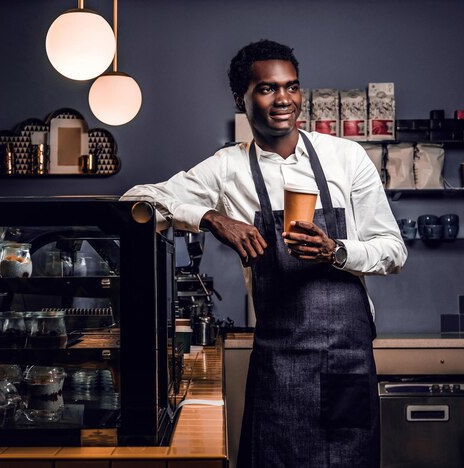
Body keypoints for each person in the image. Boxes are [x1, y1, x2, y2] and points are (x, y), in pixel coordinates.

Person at [123, 39, 407, 467]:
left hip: (345, 361)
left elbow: (393, 251)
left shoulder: (345, 157)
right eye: (267, 89)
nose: (284, 100)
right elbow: (135, 201)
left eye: (291, 87)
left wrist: (336, 250)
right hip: (280, 363)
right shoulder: (226, 167)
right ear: (242, 98)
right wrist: (210, 218)